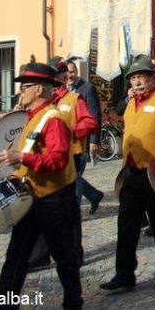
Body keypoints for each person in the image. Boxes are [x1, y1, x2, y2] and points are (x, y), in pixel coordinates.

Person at [0, 62, 82, 310]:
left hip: (54, 200)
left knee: (65, 258)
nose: (20, 92)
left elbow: (57, 160)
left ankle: (73, 304)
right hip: (31, 197)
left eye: (25, 87)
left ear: (40, 89)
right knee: (15, 258)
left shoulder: (53, 119)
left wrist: (21, 158)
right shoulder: (30, 118)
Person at [101, 55, 155, 291]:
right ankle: (124, 274)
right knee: (126, 225)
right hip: (131, 172)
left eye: (142, 77)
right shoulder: (131, 103)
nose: (137, 82)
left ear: (152, 78)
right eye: (134, 78)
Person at [63, 58, 104, 213]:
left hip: (83, 142)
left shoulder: (87, 89)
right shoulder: (62, 90)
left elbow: (95, 116)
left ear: (77, 72)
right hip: (66, 144)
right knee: (72, 175)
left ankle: (75, 211)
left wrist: (94, 141)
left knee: (76, 176)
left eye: (72, 71)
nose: (70, 75)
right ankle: (94, 195)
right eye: (67, 72)